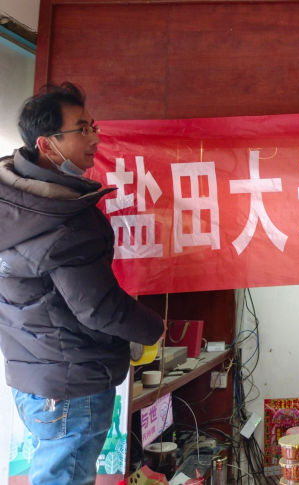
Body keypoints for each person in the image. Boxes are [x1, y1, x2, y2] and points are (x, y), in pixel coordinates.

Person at [0, 83, 165, 485]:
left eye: (93, 127)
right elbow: (99, 307)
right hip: (71, 382)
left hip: (31, 374)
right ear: (47, 144)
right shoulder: (66, 219)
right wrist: (153, 328)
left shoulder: (12, 200)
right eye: (81, 129)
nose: (94, 139)